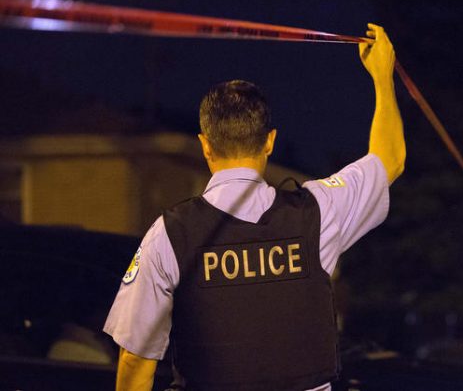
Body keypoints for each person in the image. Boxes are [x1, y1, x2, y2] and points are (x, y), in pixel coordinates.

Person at [103, 23, 404, 391]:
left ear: (206, 146)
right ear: (270, 142)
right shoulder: (317, 213)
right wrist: (382, 77)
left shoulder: (169, 234)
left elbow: (136, 360)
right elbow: (390, 159)